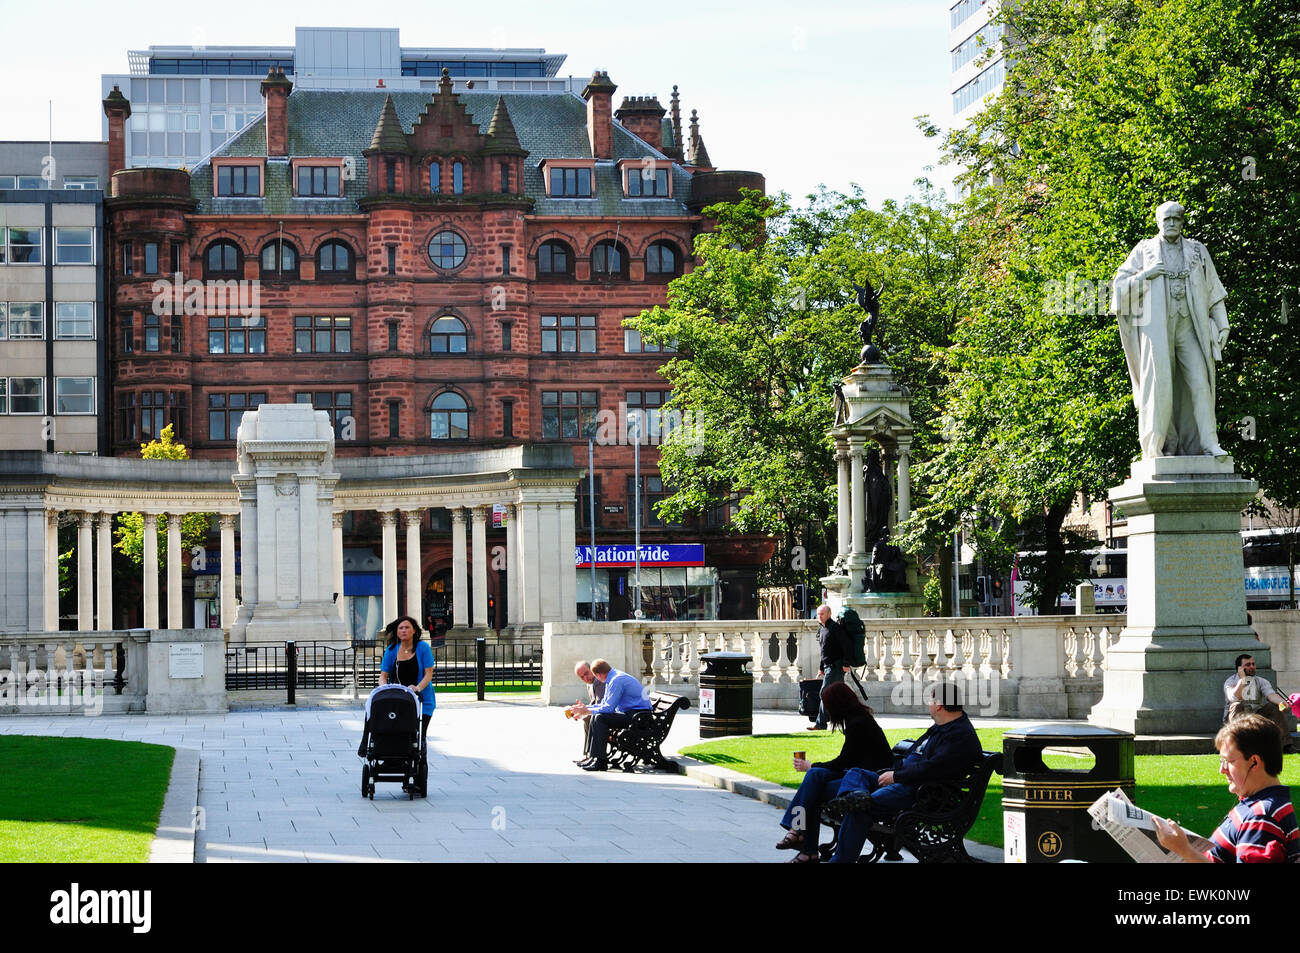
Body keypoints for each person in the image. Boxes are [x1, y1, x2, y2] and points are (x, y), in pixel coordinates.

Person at [1111, 201, 1229, 458]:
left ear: (1183, 221)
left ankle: (1209, 442)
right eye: (1167, 219)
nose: (1172, 223)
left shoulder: (1197, 251)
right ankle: (1156, 447)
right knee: (1160, 385)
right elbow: (1118, 291)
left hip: (1190, 328)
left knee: (1200, 383)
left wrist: (1223, 324)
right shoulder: (1144, 251)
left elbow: (1213, 291)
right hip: (1158, 332)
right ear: (1158, 222)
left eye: (1177, 218)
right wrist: (1146, 275)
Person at [822, 681, 982, 863]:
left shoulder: (959, 735)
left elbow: (931, 768)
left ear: (939, 705)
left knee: (860, 808)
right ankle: (853, 796)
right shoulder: (944, 727)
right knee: (857, 773)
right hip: (908, 780)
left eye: (930, 700)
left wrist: (896, 776)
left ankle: (842, 851)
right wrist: (896, 772)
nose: (928, 704)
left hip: (921, 792)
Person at [1153, 714, 1297, 863]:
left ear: (1254, 762)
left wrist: (1184, 850)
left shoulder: (1261, 817)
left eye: (1229, 761)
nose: (1222, 769)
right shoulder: (1260, 806)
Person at [776, 682, 893, 863]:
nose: (826, 709)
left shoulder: (858, 723)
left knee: (813, 790)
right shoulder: (856, 719)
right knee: (814, 778)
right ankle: (800, 835)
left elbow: (844, 761)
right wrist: (814, 768)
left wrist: (812, 765)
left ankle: (804, 843)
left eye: (827, 704)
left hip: (866, 779)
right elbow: (847, 760)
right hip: (855, 772)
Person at [566, 658, 651, 772]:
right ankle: (595, 758)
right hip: (633, 714)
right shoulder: (612, 678)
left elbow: (608, 708)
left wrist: (586, 711)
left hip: (639, 717)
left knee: (600, 718)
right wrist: (584, 709)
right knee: (597, 716)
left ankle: (600, 761)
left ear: (598, 674)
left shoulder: (616, 680)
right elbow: (604, 704)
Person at [379, 615, 436, 746]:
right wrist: (383, 688)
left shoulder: (423, 647)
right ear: (397, 632)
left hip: (421, 697)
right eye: (400, 628)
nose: (403, 630)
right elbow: (383, 675)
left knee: (418, 735)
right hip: (398, 697)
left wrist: (417, 688)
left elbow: (428, 674)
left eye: (407, 627)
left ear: (414, 630)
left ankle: (419, 757)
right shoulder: (391, 650)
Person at [1224, 654, 1292, 750]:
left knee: (1274, 707)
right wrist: (1243, 679)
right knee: (1236, 705)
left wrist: (1282, 702)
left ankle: (1286, 746)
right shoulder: (1230, 682)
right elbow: (1234, 698)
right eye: (1248, 665)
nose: (1252, 667)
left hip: (1256, 715)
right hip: (1237, 716)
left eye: (1253, 664)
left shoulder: (1261, 681)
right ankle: (1239, 746)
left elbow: (1270, 695)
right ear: (1240, 668)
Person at [809, 604, 852, 731]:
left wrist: (846, 663)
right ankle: (847, 720)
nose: (819, 616)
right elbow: (824, 651)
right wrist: (821, 668)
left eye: (822, 614)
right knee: (838, 696)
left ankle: (821, 723)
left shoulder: (835, 628)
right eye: (818, 614)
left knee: (825, 693)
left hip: (836, 667)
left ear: (829, 614)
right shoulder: (822, 629)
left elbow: (847, 646)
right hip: (828, 667)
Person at [568, 659, 606, 766]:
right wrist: (579, 710)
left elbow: (601, 704)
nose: (585, 678)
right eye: (582, 677)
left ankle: (590, 755)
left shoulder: (599, 681)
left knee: (589, 718)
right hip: (600, 712)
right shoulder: (590, 684)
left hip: (610, 713)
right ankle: (588, 755)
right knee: (587, 718)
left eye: (586, 674)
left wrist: (583, 710)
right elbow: (593, 703)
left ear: (592, 669)